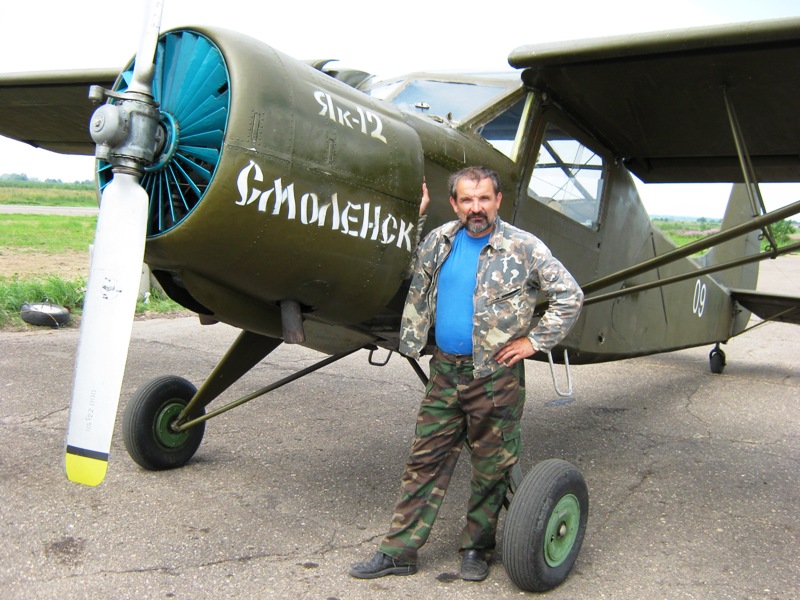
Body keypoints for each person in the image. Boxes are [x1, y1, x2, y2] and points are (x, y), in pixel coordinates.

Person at [349, 166, 583, 582]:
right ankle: (399, 551)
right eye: (468, 200)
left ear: (498, 201)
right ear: (455, 204)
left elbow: (570, 296)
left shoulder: (524, 247)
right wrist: (417, 216)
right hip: (445, 370)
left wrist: (534, 342)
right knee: (424, 460)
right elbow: (403, 267)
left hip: (496, 375)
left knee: (491, 468)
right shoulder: (438, 240)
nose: (477, 208)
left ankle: (477, 549)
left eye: (484, 198)